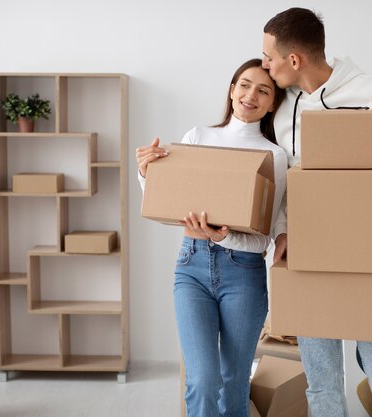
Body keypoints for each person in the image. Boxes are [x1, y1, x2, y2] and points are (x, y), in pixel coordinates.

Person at [262, 8, 372, 417]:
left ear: (294, 60)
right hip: (310, 259)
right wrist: (284, 230)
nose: (265, 65)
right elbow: (285, 181)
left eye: (269, 56)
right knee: (321, 388)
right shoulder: (282, 106)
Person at [136, 58, 287, 417]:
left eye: (263, 90)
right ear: (232, 90)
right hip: (191, 269)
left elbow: (261, 241)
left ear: (272, 104)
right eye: (244, 85)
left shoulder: (275, 156)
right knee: (202, 380)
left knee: (233, 380)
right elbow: (166, 204)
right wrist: (145, 173)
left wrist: (221, 238)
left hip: (244, 273)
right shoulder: (198, 137)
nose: (251, 95)